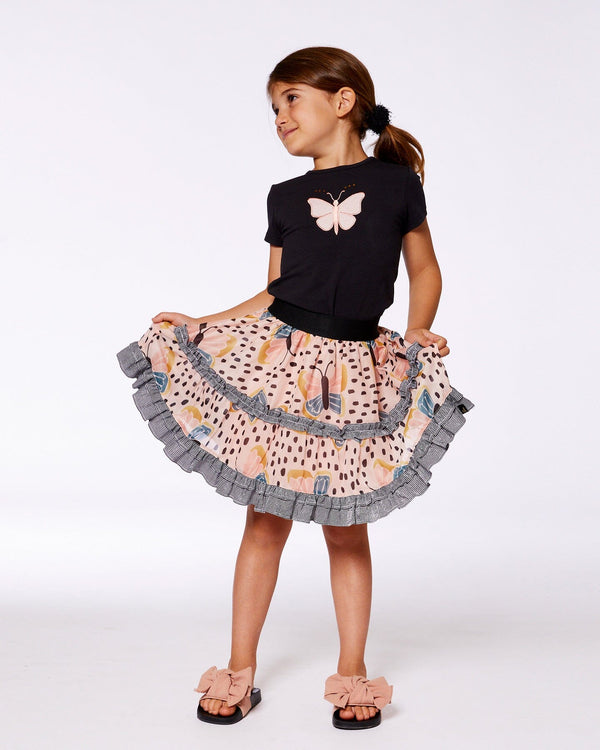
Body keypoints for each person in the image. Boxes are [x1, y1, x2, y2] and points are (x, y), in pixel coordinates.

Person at [116, 45, 474, 730]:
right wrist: (203, 322)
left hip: (357, 370)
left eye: (291, 100)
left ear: (343, 101)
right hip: (284, 365)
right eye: (273, 107)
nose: (279, 117)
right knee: (263, 519)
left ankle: (353, 670)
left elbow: (425, 270)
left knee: (346, 527)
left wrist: (417, 330)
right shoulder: (283, 197)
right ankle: (239, 668)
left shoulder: (396, 185)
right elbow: (277, 292)